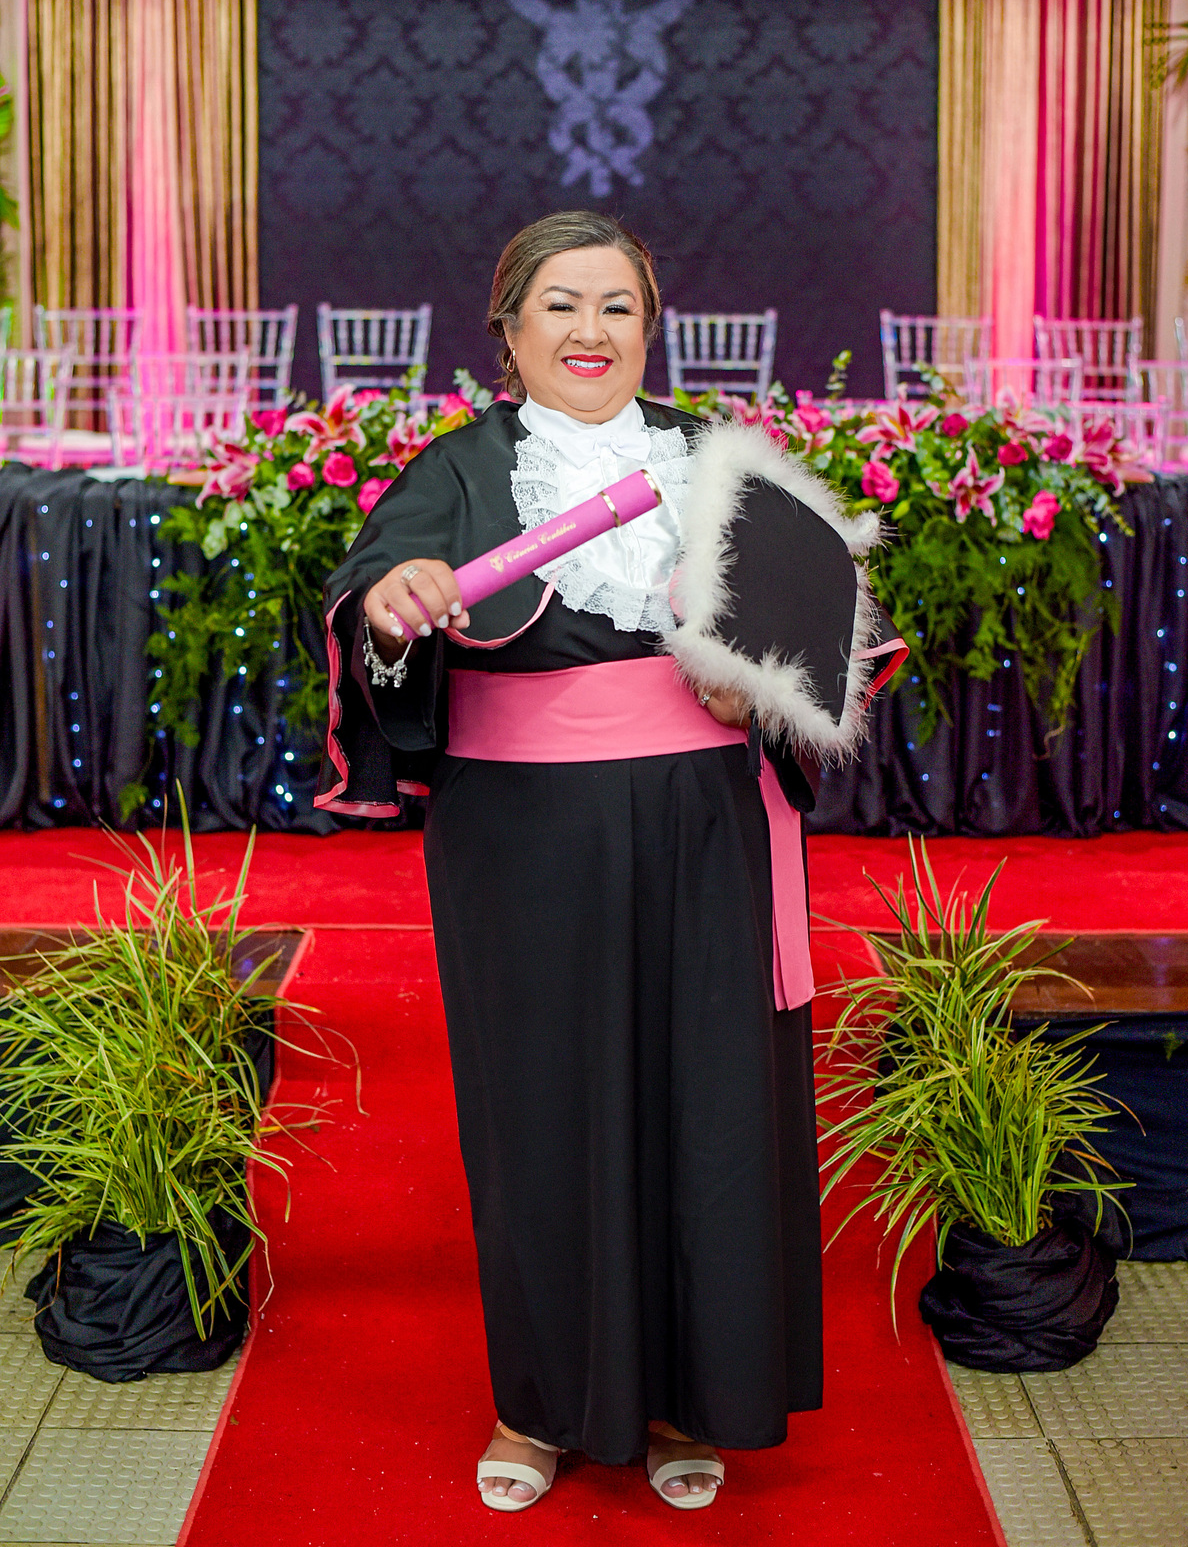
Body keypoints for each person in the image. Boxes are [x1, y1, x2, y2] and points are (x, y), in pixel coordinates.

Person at [318, 211, 822, 1513]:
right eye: (561, 304)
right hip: (522, 840)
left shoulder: (718, 459)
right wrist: (392, 611)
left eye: (616, 307)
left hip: (704, 829)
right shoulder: (457, 469)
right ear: (509, 328)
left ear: (649, 328)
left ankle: (686, 1399)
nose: (590, 330)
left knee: (705, 1106)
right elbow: (367, 608)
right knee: (540, 1112)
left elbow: (820, 647)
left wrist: (757, 683)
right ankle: (539, 1406)